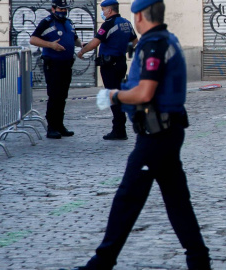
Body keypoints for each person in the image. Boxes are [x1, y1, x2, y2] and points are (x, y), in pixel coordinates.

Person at [73, 0, 211, 269]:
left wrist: (113, 95)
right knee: (177, 201)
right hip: (164, 131)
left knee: (127, 198)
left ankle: (100, 264)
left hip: (156, 135)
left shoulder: (154, 44)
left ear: (139, 17)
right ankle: (199, 261)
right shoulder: (166, 39)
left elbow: (145, 92)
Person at [77, 0, 138, 140]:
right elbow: (135, 42)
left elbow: (95, 42)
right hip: (121, 63)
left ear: (110, 10)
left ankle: (119, 130)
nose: (102, 13)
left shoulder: (109, 23)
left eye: (103, 9)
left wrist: (82, 52)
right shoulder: (126, 23)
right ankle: (119, 128)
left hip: (110, 65)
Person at [30, 0, 83, 139]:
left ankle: (60, 125)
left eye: (65, 9)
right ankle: (52, 127)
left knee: (62, 96)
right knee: (54, 96)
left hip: (66, 64)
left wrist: (82, 45)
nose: (63, 11)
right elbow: (33, 40)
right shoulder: (47, 22)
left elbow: (74, 38)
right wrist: (50, 45)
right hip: (53, 64)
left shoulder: (68, 22)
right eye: (61, 8)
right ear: (53, 9)